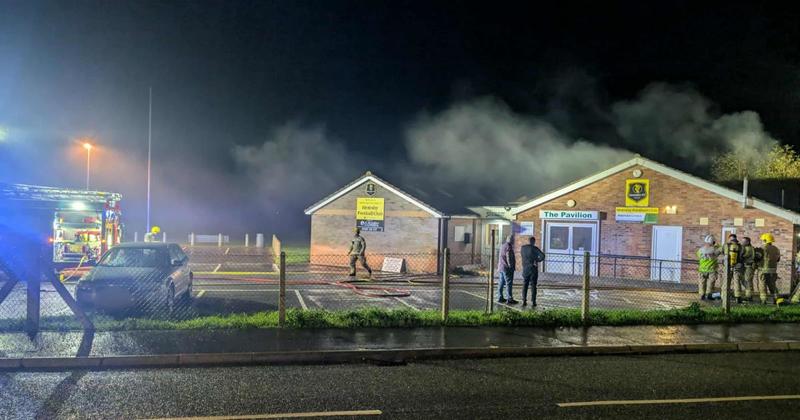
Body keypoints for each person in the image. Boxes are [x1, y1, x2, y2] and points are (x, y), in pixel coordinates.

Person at [520, 237, 545, 307]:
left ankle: (524, 301)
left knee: (525, 285)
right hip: (533, 269)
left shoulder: (523, 248)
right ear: (533, 242)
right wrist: (537, 260)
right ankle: (533, 302)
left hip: (525, 269)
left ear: (528, 241)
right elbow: (542, 256)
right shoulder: (534, 248)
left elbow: (523, 256)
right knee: (533, 285)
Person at [696, 235, 721, 300]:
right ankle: (709, 295)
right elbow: (721, 249)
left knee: (701, 283)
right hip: (711, 270)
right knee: (710, 283)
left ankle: (702, 295)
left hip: (702, 270)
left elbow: (698, 256)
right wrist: (717, 245)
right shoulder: (715, 250)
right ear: (713, 242)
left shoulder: (700, 250)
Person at [722, 234, 745, 303]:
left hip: (728, 266)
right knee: (737, 281)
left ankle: (724, 296)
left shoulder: (725, 245)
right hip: (737, 266)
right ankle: (738, 297)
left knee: (726, 281)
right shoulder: (740, 246)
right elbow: (742, 255)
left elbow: (721, 252)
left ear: (729, 239)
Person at [758, 233, 780, 305]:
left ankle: (763, 300)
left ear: (765, 240)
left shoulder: (762, 248)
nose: (762, 241)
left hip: (763, 270)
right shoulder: (776, 249)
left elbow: (758, 258)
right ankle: (776, 299)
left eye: (762, 240)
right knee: (772, 285)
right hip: (773, 270)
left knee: (762, 284)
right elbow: (778, 259)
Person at [497, 235, 517, 304]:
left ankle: (500, 297)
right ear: (511, 240)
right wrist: (510, 266)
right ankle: (509, 298)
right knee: (509, 283)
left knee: (501, 283)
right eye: (513, 239)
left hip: (501, 267)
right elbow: (508, 256)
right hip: (507, 268)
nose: (514, 240)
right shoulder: (509, 246)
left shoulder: (502, 246)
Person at [739, 237, 756, 302]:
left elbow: (742, 256)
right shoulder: (746, 248)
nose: (742, 243)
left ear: (748, 242)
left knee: (747, 281)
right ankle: (749, 294)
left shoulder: (748, 249)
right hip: (746, 267)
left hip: (749, 267)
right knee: (745, 281)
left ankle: (749, 296)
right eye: (742, 241)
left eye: (744, 241)